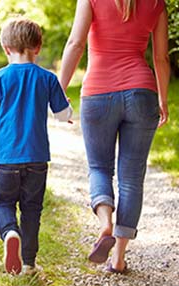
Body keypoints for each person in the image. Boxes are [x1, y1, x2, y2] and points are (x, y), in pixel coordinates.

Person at [59, 0, 170, 274]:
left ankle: (104, 223)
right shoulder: (157, 3)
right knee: (131, 178)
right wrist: (163, 99)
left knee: (99, 167)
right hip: (142, 94)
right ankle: (118, 258)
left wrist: (59, 91)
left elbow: (75, 43)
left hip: (98, 93)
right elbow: (160, 58)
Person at [0, 18, 73, 275]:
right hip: (37, 158)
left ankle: (10, 231)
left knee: (3, 203)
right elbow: (62, 114)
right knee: (32, 209)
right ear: (38, 47)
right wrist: (68, 111)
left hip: (7, 159)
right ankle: (29, 263)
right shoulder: (47, 78)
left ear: (6, 48)